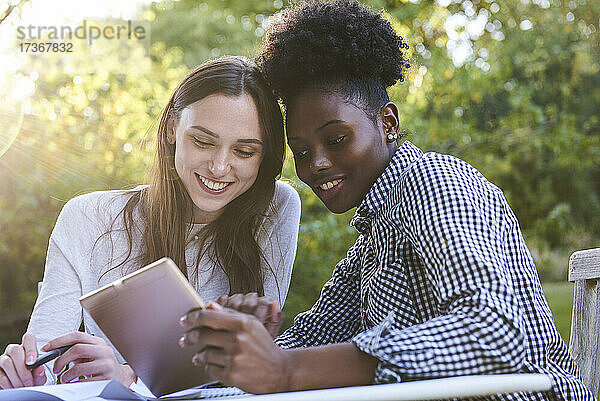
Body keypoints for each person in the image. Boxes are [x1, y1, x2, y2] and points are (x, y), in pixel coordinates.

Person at [176, 2, 595, 400]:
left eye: (336, 139)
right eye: (301, 152)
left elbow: (494, 331)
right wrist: (252, 339)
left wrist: (286, 370)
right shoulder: (373, 240)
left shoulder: (436, 183)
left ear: (388, 122)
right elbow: (316, 335)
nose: (316, 164)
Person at [0, 56, 301, 390]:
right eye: (202, 141)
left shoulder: (276, 208)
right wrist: (26, 372)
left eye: (244, 151)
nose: (219, 167)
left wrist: (128, 375)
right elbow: (48, 355)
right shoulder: (87, 218)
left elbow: (248, 363)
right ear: (172, 128)